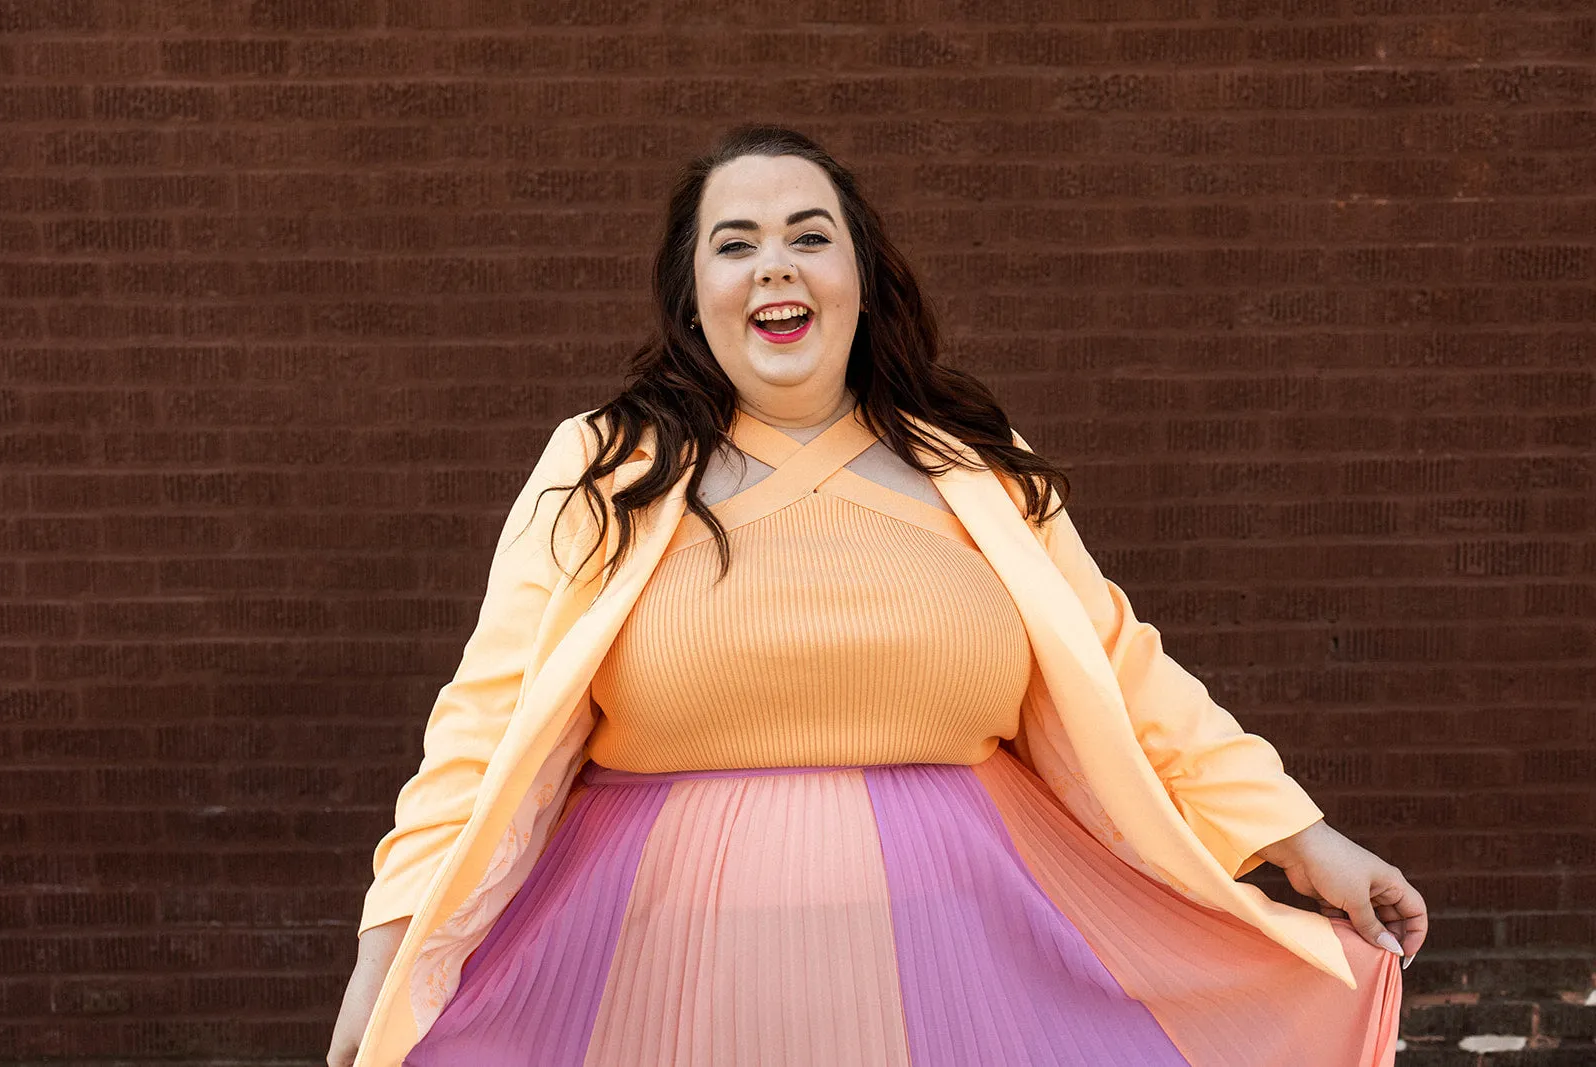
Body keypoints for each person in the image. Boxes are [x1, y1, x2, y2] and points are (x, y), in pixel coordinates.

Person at [328, 125, 1426, 1067]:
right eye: (736, 242)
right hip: (654, 968)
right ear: (690, 294)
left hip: (974, 962)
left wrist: (1302, 839)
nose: (776, 266)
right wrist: (392, 946)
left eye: (811, 236)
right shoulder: (605, 464)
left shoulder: (977, 470)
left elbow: (1122, 666)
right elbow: (483, 715)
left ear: (861, 276)